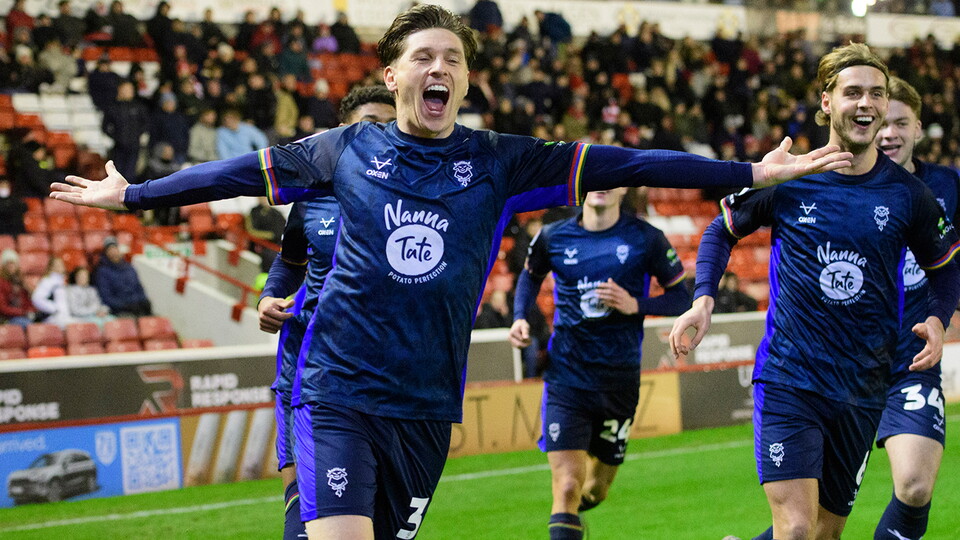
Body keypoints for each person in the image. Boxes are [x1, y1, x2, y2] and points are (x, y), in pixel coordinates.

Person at [51, 6, 852, 539]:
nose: (440, 68)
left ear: (466, 81)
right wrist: (138, 194)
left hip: (428, 409)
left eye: (454, 59)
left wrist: (747, 169)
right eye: (423, 56)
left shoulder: (498, 161)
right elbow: (232, 175)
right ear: (394, 76)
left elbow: (631, 159)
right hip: (338, 391)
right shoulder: (342, 151)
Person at [668, 43, 960, 540]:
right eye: (852, 93)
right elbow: (721, 229)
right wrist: (703, 298)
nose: (866, 103)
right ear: (826, 102)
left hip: (864, 388)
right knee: (797, 529)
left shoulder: (907, 194)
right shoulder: (790, 178)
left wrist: (937, 317)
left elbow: (946, 265)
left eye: (876, 93)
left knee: (825, 533)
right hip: (790, 378)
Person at [257, 84, 397, 540]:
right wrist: (268, 297)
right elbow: (290, 261)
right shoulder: (313, 196)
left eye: (386, 125)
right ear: (342, 131)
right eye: (366, 125)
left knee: (368, 514)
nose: (377, 135)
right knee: (302, 506)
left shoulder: (416, 200)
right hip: (303, 365)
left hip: (378, 375)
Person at [510, 187, 690, 540]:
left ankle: (571, 523)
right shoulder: (553, 236)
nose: (602, 184)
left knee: (595, 490)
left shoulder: (645, 238)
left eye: (611, 177)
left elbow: (681, 296)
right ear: (580, 186)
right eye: (593, 176)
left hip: (619, 381)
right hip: (567, 378)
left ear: (624, 187)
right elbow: (530, 276)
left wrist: (635, 304)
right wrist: (520, 317)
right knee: (566, 486)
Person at [872, 77, 959, 540]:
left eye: (900, 122)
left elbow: (952, 266)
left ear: (919, 129)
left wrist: (941, 317)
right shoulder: (842, 182)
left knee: (915, 485)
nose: (889, 133)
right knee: (818, 512)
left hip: (913, 360)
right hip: (844, 363)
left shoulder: (948, 186)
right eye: (882, 123)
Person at [94, 236, 152, 317]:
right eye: (109, 249)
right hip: (119, 310)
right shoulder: (102, 272)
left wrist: (142, 300)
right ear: (106, 252)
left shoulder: (129, 267)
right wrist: (125, 305)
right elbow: (106, 297)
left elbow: (139, 288)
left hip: (137, 306)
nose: (113, 252)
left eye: (114, 248)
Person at [31, 257, 71, 327]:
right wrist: (55, 309)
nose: (61, 266)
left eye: (61, 264)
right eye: (57, 265)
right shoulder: (48, 281)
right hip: (53, 319)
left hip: (64, 317)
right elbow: (36, 299)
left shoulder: (61, 281)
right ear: (51, 267)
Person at [0, 249, 35, 328]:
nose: (11, 266)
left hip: (22, 315)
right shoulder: (1, 282)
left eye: (13, 263)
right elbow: (2, 308)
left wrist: (32, 311)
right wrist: (23, 312)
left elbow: (28, 302)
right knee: (27, 325)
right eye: (8, 264)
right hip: (7, 318)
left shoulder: (20, 281)